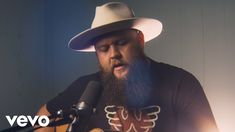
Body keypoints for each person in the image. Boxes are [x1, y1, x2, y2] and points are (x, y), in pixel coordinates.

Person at [36, 2, 219, 132]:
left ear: (140, 40)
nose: (113, 54)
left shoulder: (180, 83)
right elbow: (43, 117)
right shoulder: (86, 88)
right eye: (104, 49)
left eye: (121, 42)